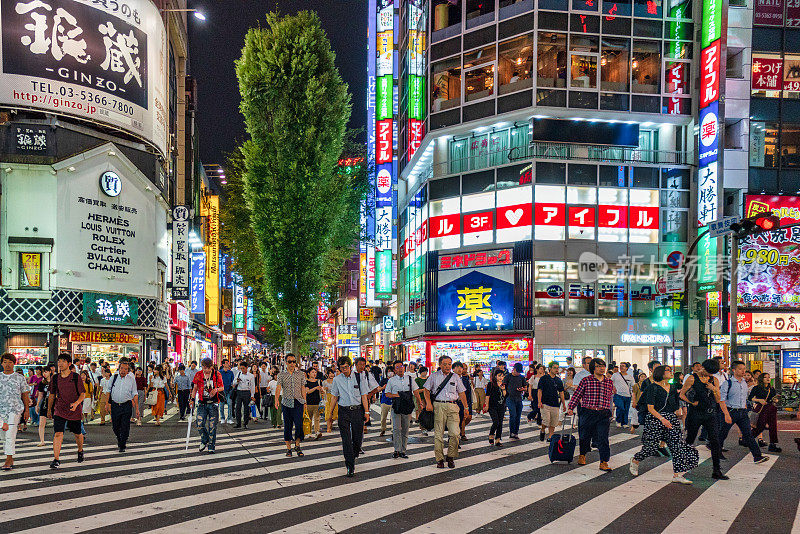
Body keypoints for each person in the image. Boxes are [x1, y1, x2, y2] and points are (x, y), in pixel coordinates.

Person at [630, 365, 698, 484]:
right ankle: (636, 460)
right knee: (651, 448)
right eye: (668, 370)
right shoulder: (652, 387)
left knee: (677, 446)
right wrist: (662, 419)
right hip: (655, 418)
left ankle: (677, 474)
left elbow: (674, 403)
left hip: (670, 418)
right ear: (660, 373)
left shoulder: (672, 387)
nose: (671, 372)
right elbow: (650, 408)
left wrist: (677, 412)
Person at [681, 358, 727, 480]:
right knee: (690, 439)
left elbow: (718, 399)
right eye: (708, 372)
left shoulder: (714, 380)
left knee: (715, 441)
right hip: (695, 413)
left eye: (712, 373)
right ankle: (682, 462)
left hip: (711, 414)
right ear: (703, 368)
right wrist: (691, 402)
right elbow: (681, 394)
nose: (710, 375)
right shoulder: (692, 378)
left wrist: (714, 389)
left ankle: (716, 470)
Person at [567, 358, 614, 471]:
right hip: (588, 412)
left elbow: (609, 397)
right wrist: (571, 407)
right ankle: (582, 455)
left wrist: (611, 410)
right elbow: (577, 395)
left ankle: (604, 462)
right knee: (584, 436)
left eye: (603, 366)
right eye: (598, 366)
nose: (602, 368)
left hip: (603, 413)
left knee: (603, 438)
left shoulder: (609, 381)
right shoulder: (586, 380)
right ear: (593, 368)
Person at [719, 361, 770, 464]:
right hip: (731, 411)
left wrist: (746, 410)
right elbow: (721, 400)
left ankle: (757, 456)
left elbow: (744, 399)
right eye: (740, 369)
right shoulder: (728, 383)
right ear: (734, 370)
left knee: (748, 435)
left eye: (744, 369)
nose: (743, 371)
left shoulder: (744, 383)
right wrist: (726, 414)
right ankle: (717, 452)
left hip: (742, 412)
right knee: (722, 433)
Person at [422, 355, 469, 469]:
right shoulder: (434, 376)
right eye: (445, 364)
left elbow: (462, 393)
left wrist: (466, 408)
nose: (447, 366)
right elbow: (426, 390)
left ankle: (451, 456)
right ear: (440, 365)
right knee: (439, 434)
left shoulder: (456, 377)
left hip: (453, 406)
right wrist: (428, 403)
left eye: (449, 364)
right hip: (438, 406)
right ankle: (439, 459)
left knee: (455, 433)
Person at [329, 356, 371, 477]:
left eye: (346, 367)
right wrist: (330, 413)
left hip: (357, 410)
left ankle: (355, 453)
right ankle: (350, 465)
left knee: (357, 438)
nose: (344, 370)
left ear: (350, 366)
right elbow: (334, 397)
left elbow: (364, 395)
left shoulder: (359, 377)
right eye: (342, 368)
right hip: (344, 411)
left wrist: (367, 412)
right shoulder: (337, 380)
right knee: (346, 439)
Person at [47, 353, 86, 469]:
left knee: (77, 434)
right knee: (58, 433)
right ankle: (56, 459)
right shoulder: (55, 378)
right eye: (59, 361)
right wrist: (49, 409)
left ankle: (80, 450)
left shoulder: (75, 377)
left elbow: (83, 394)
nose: (60, 363)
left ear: (69, 364)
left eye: (63, 361)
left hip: (74, 409)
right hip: (60, 409)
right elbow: (52, 394)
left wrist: (76, 403)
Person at [102, 359, 139, 453]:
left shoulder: (131, 380)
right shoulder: (113, 378)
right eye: (122, 368)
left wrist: (137, 409)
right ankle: (119, 438)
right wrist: (107, 404)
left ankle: (122, 444)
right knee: (115, 426)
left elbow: (135, 393)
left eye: (125, 369)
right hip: (115, 405)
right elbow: (108, 391)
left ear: (128, 371)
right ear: (119, 369)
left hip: (126, 405)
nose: (123, 371)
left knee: (125, 425)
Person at [0, 353, 30, 470]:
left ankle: (8, 459)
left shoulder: (20, 377)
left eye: (10, 362)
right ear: (2, 363)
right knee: (3, 436)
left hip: (15, 410)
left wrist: (27, 410)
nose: (7, 364)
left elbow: (25, 394)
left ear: (14, 363)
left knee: (10, 434)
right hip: (1, 411)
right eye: (5, 362)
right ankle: (10, 457)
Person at [385, 360, 419, 459]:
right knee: (396, 429)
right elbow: (387, 393)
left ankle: (403, 451)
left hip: (407, 406)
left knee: (405, 429)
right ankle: (397, 450)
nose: (400, 369)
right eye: (397, 367)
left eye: (401, 366)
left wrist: (420, 403)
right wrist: (396, 395)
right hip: (396, 406)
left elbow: (416, 391)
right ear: (394, 370)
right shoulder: (391, 380)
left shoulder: (410, 379)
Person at [275, 354, 307, 456]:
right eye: (290, 362)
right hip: (286, 402)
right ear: (285, 363)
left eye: (294, 361)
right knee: (287, 426)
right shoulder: (281, 375)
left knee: (299, 425)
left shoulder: (301, 374)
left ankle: (297, 445)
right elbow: (278, 388)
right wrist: (276, 400)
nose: (292, 364)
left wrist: (305, 401)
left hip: (298, 402)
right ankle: (288, 448)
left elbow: (303, 388)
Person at [190, 358, 224, 454]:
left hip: (213, 403)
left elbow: (222, 387)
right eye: (204, 368)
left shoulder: (217, 374)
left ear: (212, 367)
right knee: (199, 423)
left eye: (208, 368)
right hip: (202, 403)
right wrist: (192, 399)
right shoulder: (198, 374)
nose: (206, 370)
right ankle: (204, 439)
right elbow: (195, 388)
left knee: (212, 426)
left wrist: (215, 390)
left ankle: (211, 445)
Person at [749, 372, 781, 453]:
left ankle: (772, 444)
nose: (768, 379)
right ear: (761, 379)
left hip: (771, 408)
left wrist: (775, 400)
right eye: (765, 377)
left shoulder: (771, 389)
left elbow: (773, 399)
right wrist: (759, 400)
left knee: (773, 426)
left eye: (769, 377)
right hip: (761, 408)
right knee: (760, 426)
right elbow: (750, 398)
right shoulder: (756, 388)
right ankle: (748, 439)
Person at [538, 361, 566, 442]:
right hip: (545, 403)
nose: (557, 369)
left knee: (553, 422)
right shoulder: (544, 378)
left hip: (555, 404)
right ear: (550, 368)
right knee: (546, 421)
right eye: (555, 368)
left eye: (558, 368)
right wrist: (539, 401)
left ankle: (550, 436)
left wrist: (564, 404)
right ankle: (543, 430)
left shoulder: (558, 380)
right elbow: (540, 390)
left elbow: (561, 392)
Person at [484, 369, 507, 446]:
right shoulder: (491, 384)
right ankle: (491, 434)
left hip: (501, 406)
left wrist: (503, 389)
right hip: (492, 406)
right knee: (496, 421)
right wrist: (486, 405)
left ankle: (498, 440)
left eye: (502, 376)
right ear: (495, 376)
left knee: (500, 423)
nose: (501, 377)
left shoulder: (504, 384)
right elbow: (487, 395)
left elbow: (506, 396)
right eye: (499, 375)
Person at [505, 362, 528, 440]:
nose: (518, 373)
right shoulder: (508, 376)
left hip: (519, 399)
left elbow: (525, 387)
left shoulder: (521, 377)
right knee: (513, 415)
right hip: (510, 398)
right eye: (517, 371)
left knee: (518, 417)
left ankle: (516, 433)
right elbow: (503, 386)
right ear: (514, 369)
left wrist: (523, 389)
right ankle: (512, 432)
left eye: (519, 372)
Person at [232, 362, 256, 429]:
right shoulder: (239, 374)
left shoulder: (251, 376)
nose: (242, 370)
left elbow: (252, 386)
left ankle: (245, 423)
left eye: (243, 368)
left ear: (246, 368)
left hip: (247, 392)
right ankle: (238, 423)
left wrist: (252, 395)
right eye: (241, 368)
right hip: (239, 392)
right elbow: (234, 382)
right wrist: (237, 381)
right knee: (238, 408)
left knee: (246, 409)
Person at [454, 362, 473, 440]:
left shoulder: (465, 379)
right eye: (458, 368)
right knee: (458, 419)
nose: (461, 370)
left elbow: (468, 392)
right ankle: (460, 434)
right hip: (455, 402)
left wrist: (468, 404)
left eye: (463, 368)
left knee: (466, 418)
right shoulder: (450, 378)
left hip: (465, 402)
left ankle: (460, 431)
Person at [611, 362, 633, 428]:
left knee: (626, 409)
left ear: (627, 368)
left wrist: (633, 395)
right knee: (620, 408)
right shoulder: (615, 375)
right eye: (620, 366)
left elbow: (633, 386)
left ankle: (625, 423)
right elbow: (610, 382)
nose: (621, 367)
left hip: (628, 395)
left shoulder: (630, 377)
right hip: (618, 394)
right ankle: (618, 421)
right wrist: (613, 388)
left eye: (623, 366)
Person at [305, 367, 324, 440]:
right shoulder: (306, 382)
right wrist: (315, 388)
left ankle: (317, 432)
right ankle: (308, 433)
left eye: (315, 372)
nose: (314, 373)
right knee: (309, 419)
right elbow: (308, 391)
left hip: (317, 402)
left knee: (317, 419)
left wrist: (322, 390)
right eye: (312, 372)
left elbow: (322, 391)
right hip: (309, 402)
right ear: (309, 373)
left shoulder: (319, 381)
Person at [35, 368, 51, 446]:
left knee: (57, 422)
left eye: (46, 372)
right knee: (41, 423)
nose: (44, 374)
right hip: (44, 403)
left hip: (54, 403)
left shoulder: (54, 381)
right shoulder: (42, 383)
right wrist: (37, 405)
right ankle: (42, 440)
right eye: (43, 372)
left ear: (50, 372)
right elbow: (40, 394)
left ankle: (57, 439)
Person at [219, 360, 235, 424]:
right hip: (222, 391)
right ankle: (222, 418)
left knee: (230, 404)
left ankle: (229, 418)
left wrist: (232, 386)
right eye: (226, 363)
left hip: (229, 390)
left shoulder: (230, 372)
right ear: (223, 364)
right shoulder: (220, 372)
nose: (228, 364)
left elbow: (233, 381)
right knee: (221, 405)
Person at [323, 367, 338, 433]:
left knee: (334, 413)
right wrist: (324, 389)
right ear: (327, 374)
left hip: (335, 398)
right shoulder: (324, 382)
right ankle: (328, 427)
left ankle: (331, 424)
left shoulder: (336, 381)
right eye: (330, 373)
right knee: (328, 412)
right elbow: (322, 391)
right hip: (328, 398)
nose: (331, 375)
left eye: (332, 373)